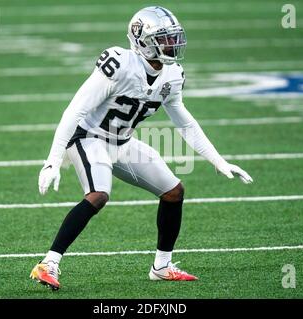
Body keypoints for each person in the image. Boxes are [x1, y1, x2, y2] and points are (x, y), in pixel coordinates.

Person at [30, 6, 253, 290]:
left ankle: (161, 266)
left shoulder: (172, 75)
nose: (173, 44)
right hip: (87, 137)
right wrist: (53, 159)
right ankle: (48, 264)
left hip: (121, 143)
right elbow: (74, 110)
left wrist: (218, 160)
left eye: (173, 38)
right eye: (165, 38)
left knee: (174, 192)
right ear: (143, 41)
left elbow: (185, 122)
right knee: (99, 195)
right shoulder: (120, 64)